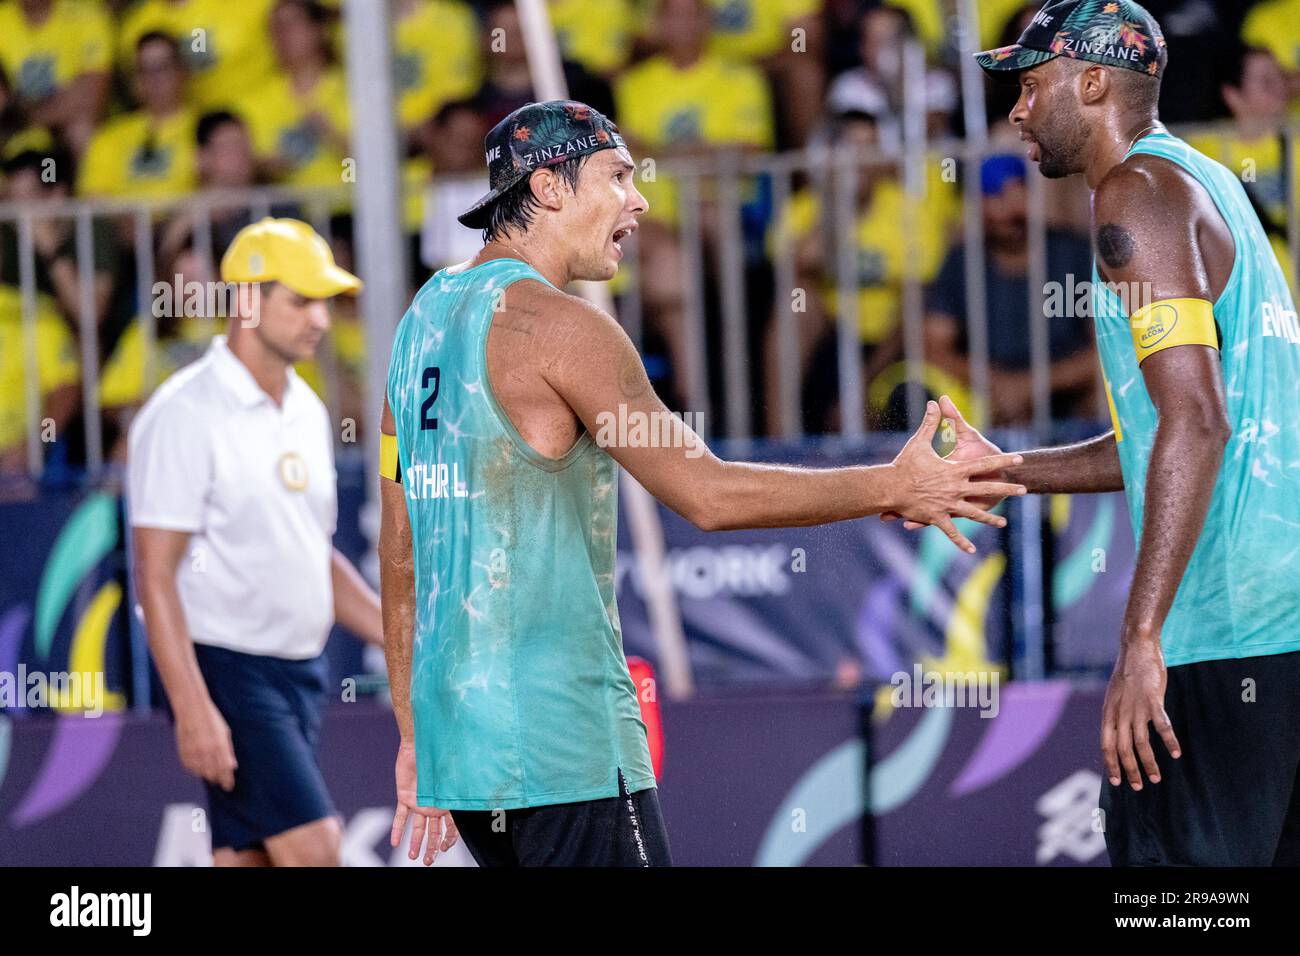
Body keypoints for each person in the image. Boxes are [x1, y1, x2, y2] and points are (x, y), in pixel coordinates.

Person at [378, 99, 1026, 867]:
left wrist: (414, 733)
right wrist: (894, 484)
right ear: (550, 189)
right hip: (560, 742)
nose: (639, 200)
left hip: (463, 746)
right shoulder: (564, 329)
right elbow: (708, 495)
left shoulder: (420, 319)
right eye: (617, 177)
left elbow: (399, 547)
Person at [928, 0, 1300, 866]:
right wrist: (1005, 468)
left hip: (1223, 638)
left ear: (1092, 82)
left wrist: (1141, 640)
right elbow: (1166, 432)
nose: (1016, 110)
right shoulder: (1206, 187)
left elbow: (1195, 424)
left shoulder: (1135, 195)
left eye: (1029, 84)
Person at [129, 218, 383, 866]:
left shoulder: (305, 407)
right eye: (301, 300)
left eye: (324, 300)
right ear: (246, 302)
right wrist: (192, 707)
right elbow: (154, 575)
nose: (321, 320)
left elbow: (310, 551)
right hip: (228, 669)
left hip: (301, 668)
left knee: (248, 859)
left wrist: (398, 631)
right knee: (317, 850)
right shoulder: (183, 413)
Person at [923, 154, 1097, 425]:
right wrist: (996, 383)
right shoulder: (962, 262)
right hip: (986, 393)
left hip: (1067, 387)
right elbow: (934, 348)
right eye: (996, 198)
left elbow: (1106, 347)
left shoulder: (1074, 254)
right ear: (977, 206)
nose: (1010, 210)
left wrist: (1030, 386)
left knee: (1106, 390)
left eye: (1019, 195)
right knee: (924, 391)